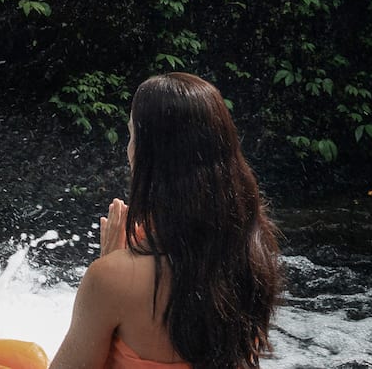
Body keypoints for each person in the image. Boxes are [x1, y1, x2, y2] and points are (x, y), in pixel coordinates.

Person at [49, 73, 279, 369]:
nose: (127, 149)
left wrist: (109, 264)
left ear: (148, 155)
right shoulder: (253, 254)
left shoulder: (114, 278)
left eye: (132, 135)